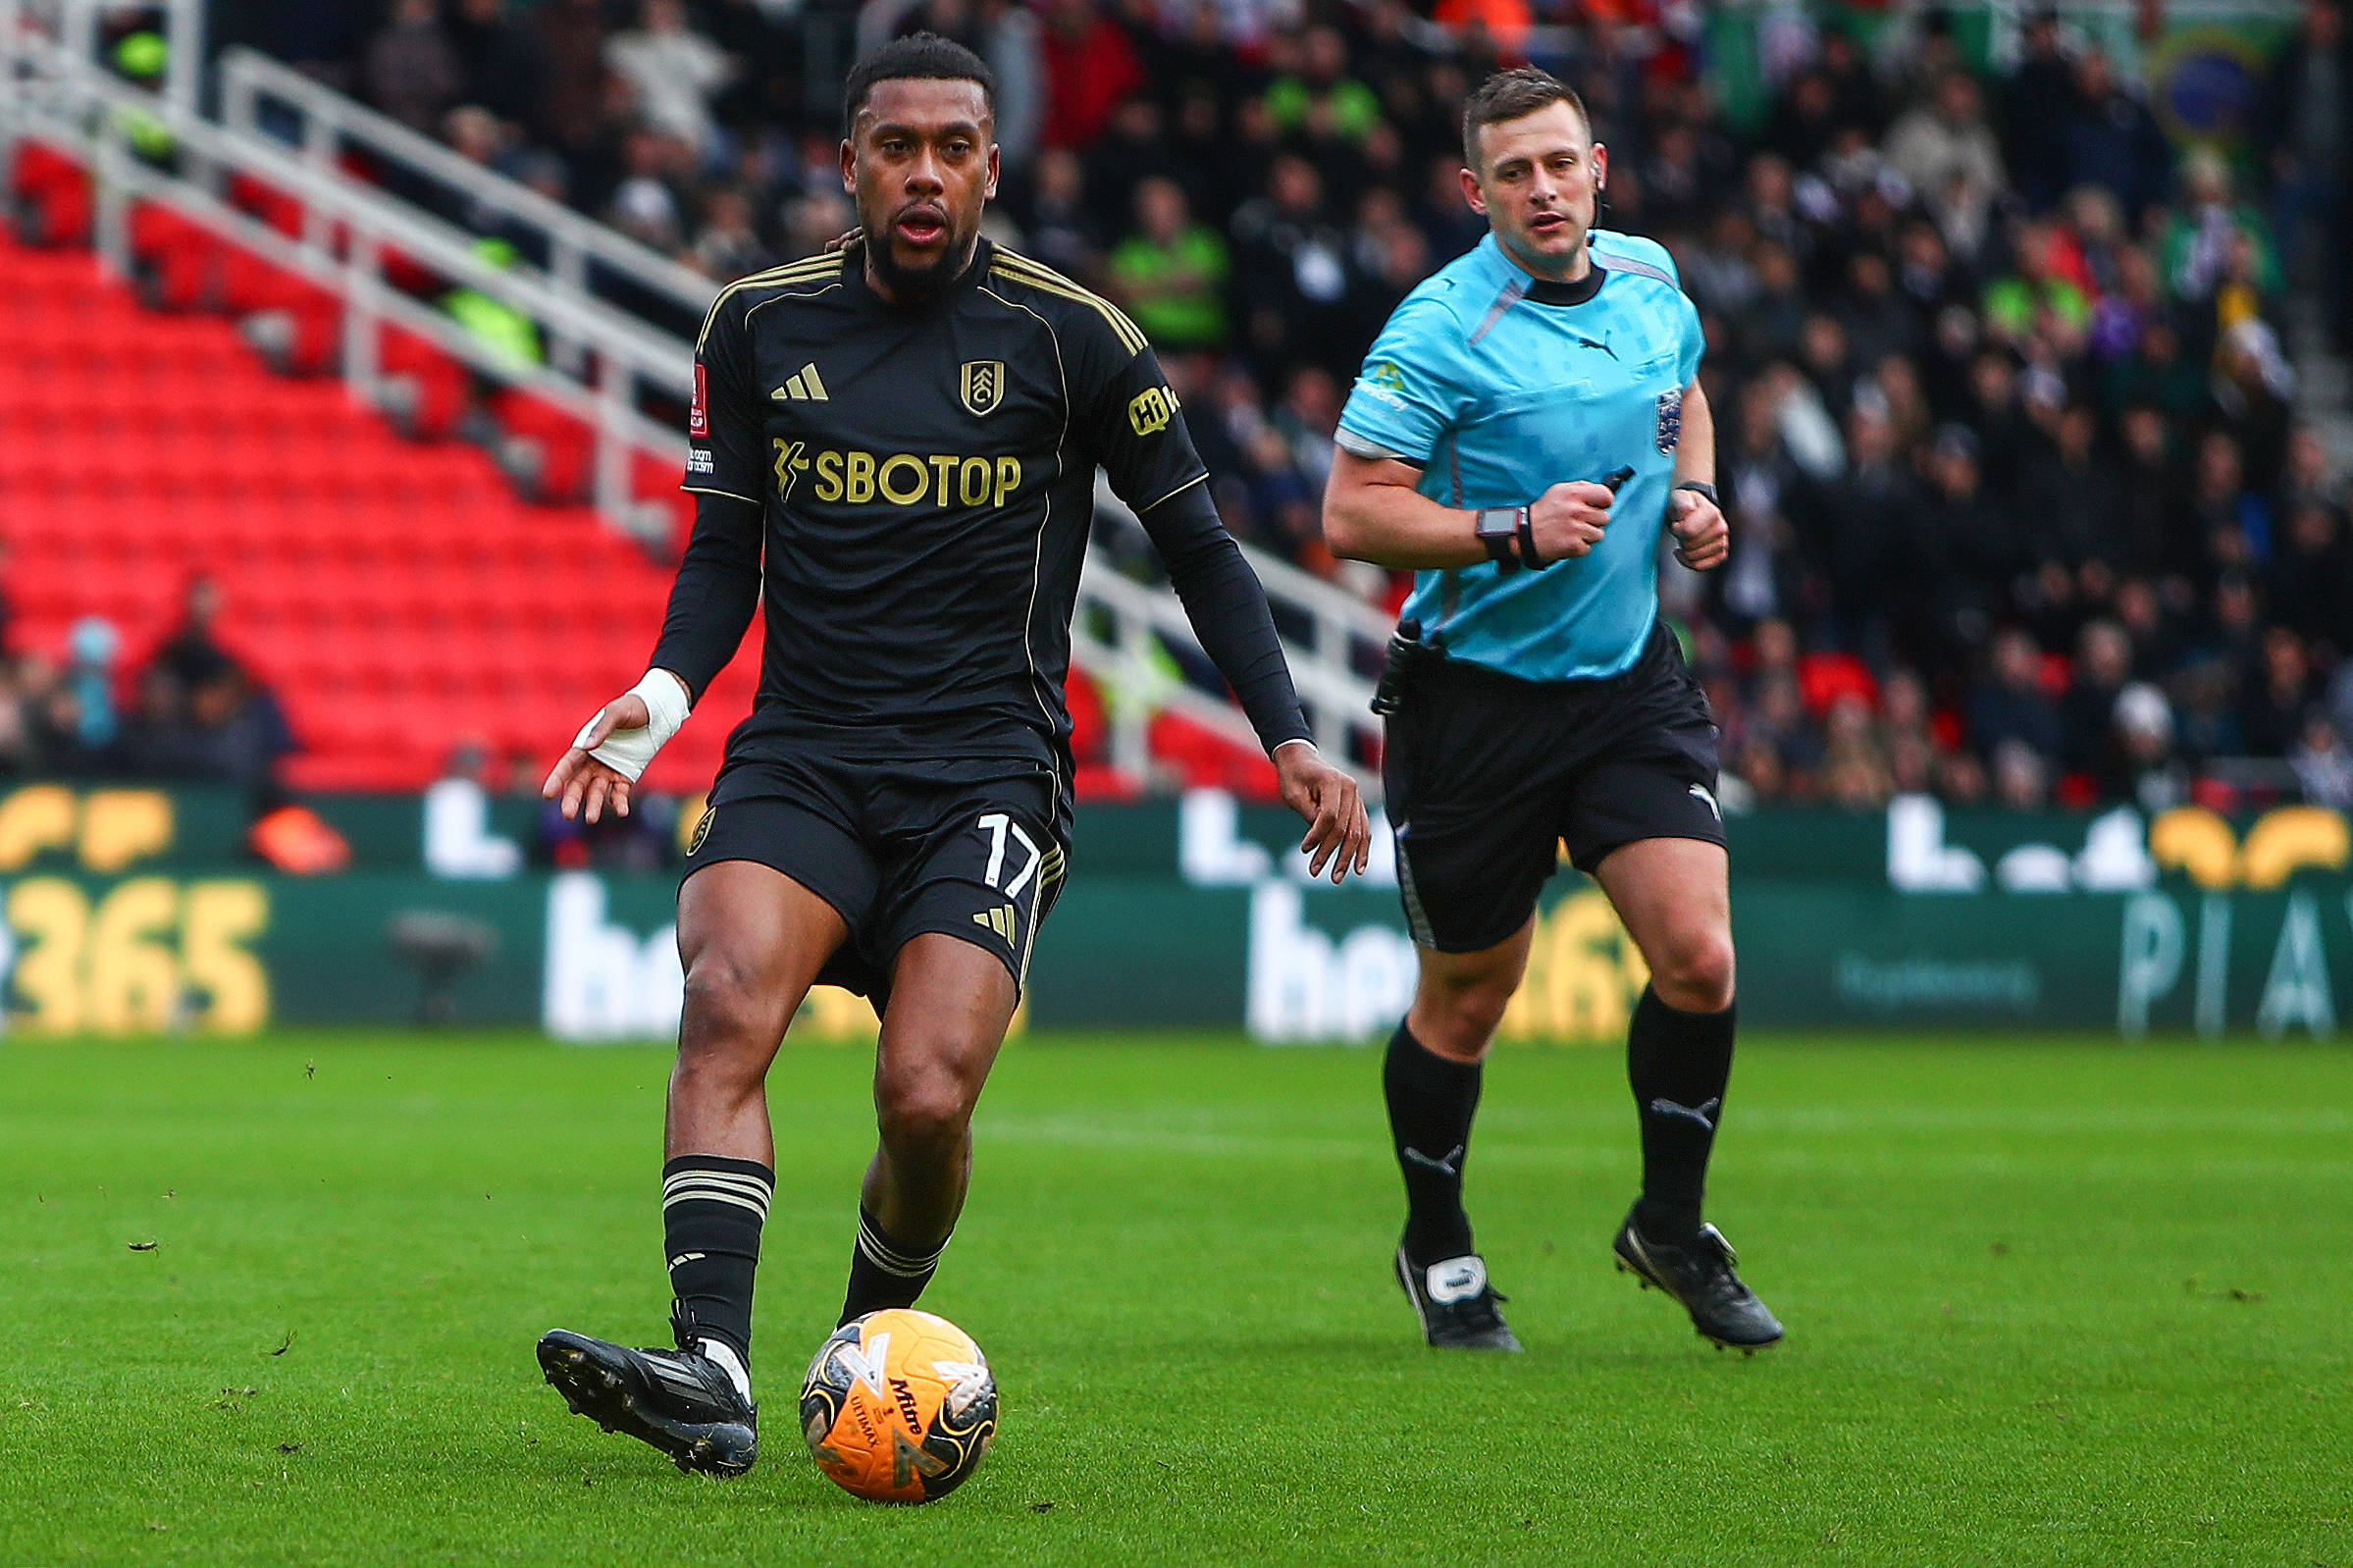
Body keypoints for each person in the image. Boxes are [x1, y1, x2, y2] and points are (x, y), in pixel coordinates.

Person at [534, 34, 1370, 1478]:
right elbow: (723, 549)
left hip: (986, 775)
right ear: (848, 163)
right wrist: (663, 697)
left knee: (924, 1096)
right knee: (725, 996)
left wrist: (1288, 733)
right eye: (896, 147)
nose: (924, 173)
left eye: (953, 147)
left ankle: (862, 1356)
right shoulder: (755, 326)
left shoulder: (1076, 337)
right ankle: (713, 1364)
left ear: (993, 162)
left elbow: (1201, 550)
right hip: (801, 756)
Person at [1321, 68, 1781, 1355]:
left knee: (1697, 955)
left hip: (1627, 682)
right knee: (1469, 996)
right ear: (1474, 192)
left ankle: (1671, 1226)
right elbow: (1352, 510)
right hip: (1473, 704)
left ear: (1598, 169)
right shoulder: (1435, 330)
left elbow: (1680, 394)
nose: (1541, 189)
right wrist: (1505, 530)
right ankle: (1437, 1245)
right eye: (1512, 172)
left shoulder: (1647, 281)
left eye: (1559, 163)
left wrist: (1693, 495)